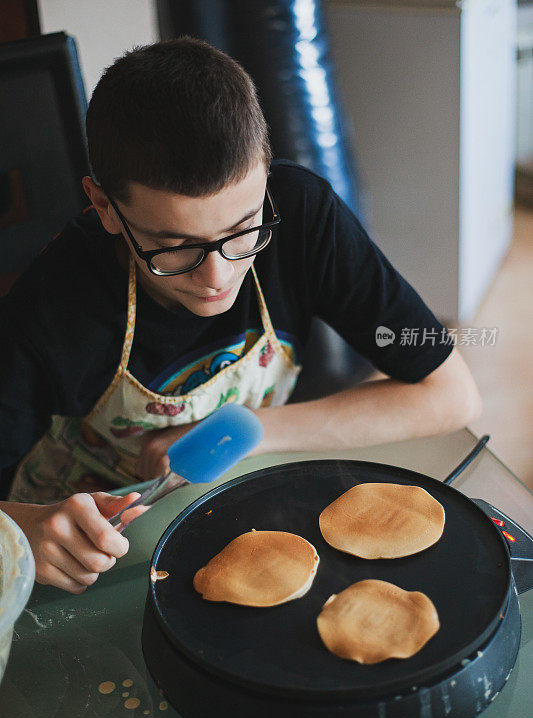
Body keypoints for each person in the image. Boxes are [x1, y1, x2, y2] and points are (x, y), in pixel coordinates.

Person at [0, 37, 481, 594]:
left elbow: (452, 395)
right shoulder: (52, 304)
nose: (217, 278)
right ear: (104, 206)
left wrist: (250, 430)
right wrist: (23, 528)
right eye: (173, 245)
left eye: (242, 230)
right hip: (75, 565)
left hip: (229, 507)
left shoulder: (301, 213)